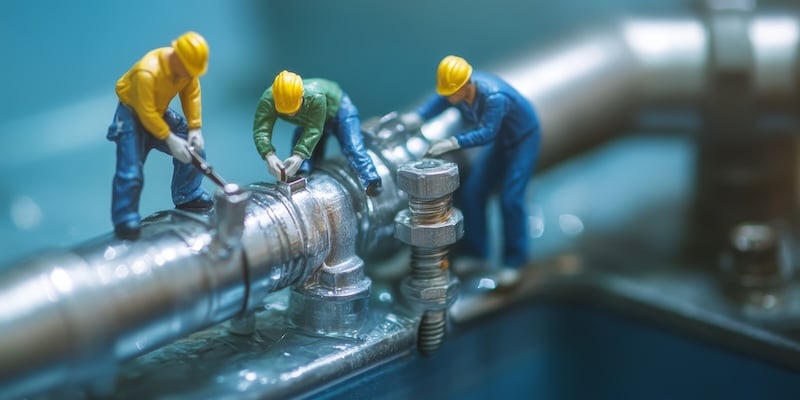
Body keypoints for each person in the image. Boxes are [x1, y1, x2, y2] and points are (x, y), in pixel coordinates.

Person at [404, 55, 541, 284]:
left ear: (464, 86)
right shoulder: (458, 90)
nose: (449, 98)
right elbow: (441, 100)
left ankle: (515, 262)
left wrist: (452, 142)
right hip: (502, 142)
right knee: (474, 192)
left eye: (451, 93)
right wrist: (418, 116)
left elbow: (487, 133)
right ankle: (477, 254)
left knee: (510, 199)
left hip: (522, 141)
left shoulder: (494, 97)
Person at [107, 31, 214, 240]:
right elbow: (146, 112)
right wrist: (170, 139)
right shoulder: (147, 72)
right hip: (131, 114)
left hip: (158, 112)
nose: (189, 75)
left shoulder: (186, 71)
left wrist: (195, 128)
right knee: (130, 170)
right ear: (177, 57)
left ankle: (187, 194)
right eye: (188, 70)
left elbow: (191, 94)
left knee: (194, 151)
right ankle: (125, 218)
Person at [252, 70, 382, 196]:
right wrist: (269, 155)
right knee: (302, 142)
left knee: (353, 147)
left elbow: (314, 129)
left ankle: (372, 181)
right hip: (311, 120)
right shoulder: (268, 100)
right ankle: (303, 174)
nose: (291, 114)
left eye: (294, 109)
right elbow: (261, 130)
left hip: (340, 111)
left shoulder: (316, 96)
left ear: (301, 95)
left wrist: (298, 156)